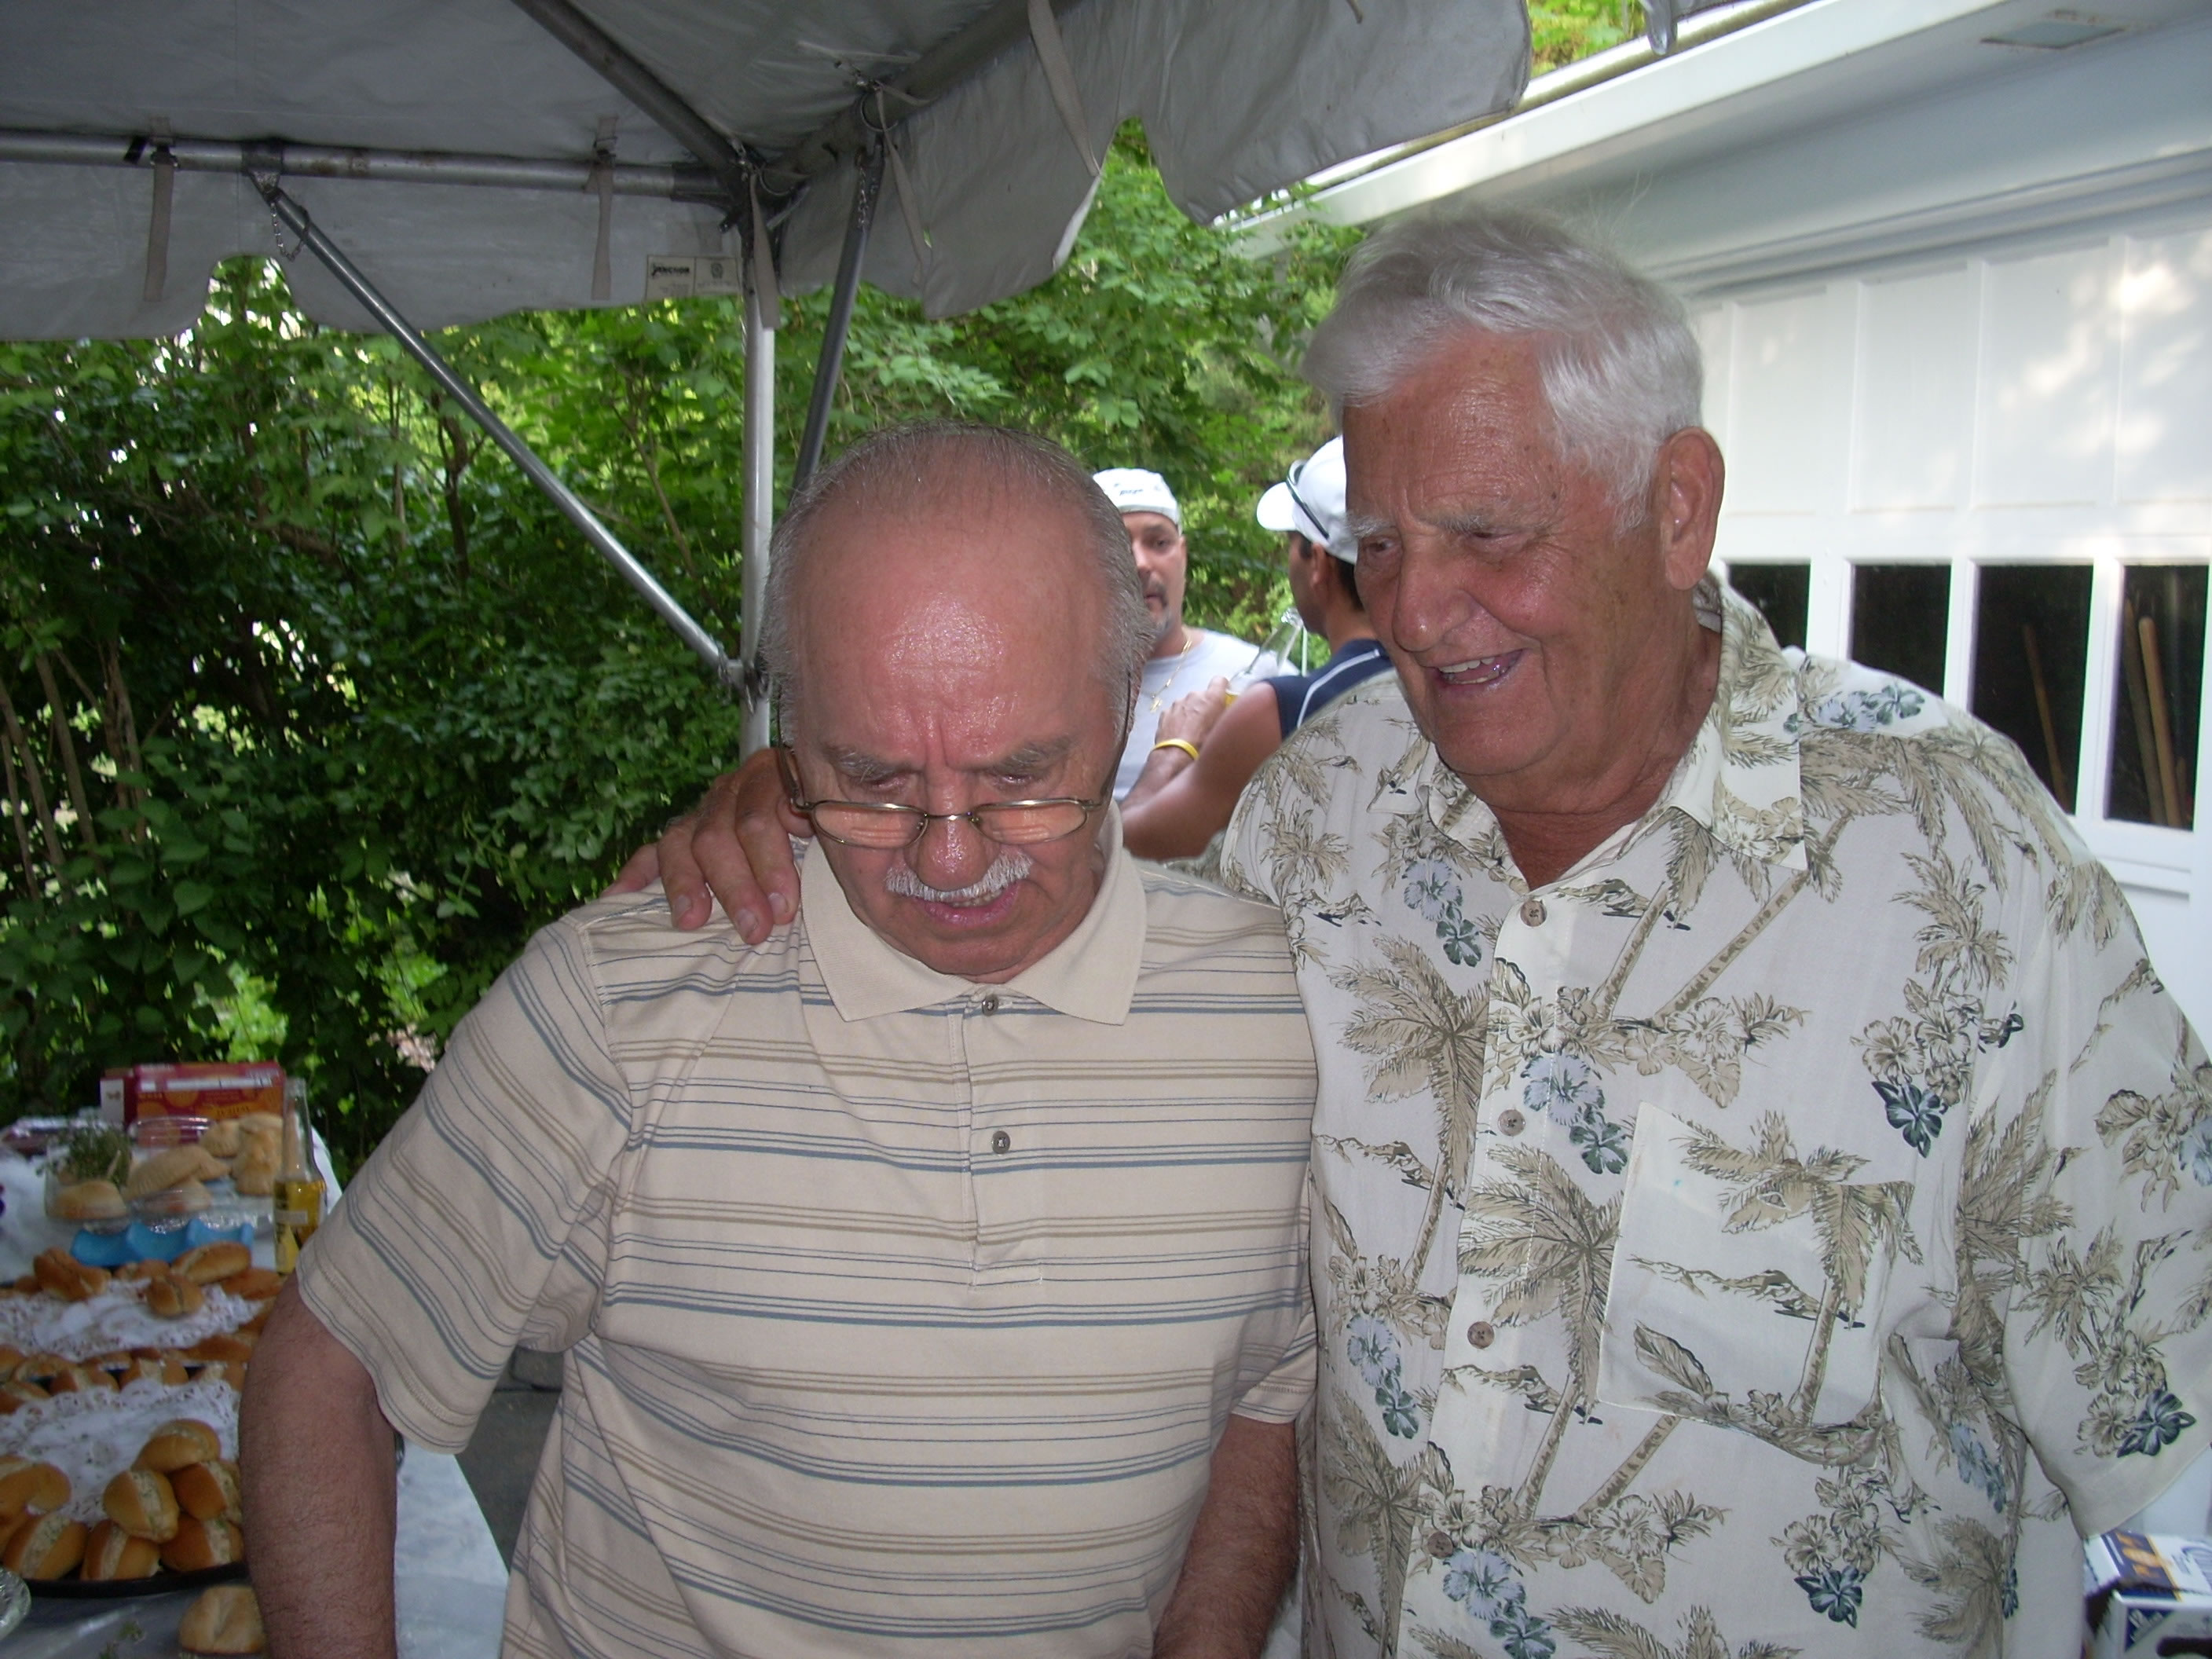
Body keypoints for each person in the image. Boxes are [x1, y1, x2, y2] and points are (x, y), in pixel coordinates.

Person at [620, 212, 2212, 1659]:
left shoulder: (1953, 862)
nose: (1419, 613)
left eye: (1488, 536)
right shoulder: (1323, 815)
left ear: (1676, 509)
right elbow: (1036, 944)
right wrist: (827, 792)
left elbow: (2175, 1435)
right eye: (1380, 544)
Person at [240, 423, 1319, 1659]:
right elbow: (327, 1370)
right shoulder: (624, 1007)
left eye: (1022, 777)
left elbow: (1265, 1392)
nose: (948, 856)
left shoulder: (1273, 1011)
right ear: (789, 741)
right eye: (874, 782)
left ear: (1126, 698)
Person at [1120, 438, 1393, 861]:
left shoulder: (1282, 708)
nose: (1140, 563)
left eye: (1290, 543)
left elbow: (1128, 847)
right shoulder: (1449, 677)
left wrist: (1176, 748)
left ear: (1318, 564)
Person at [1090, 467, 1279, 799]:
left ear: (1183, 555)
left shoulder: (1256, 678)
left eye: (1159, 543)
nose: (1140, 563)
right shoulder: (1050, 689)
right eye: (1118, 546)